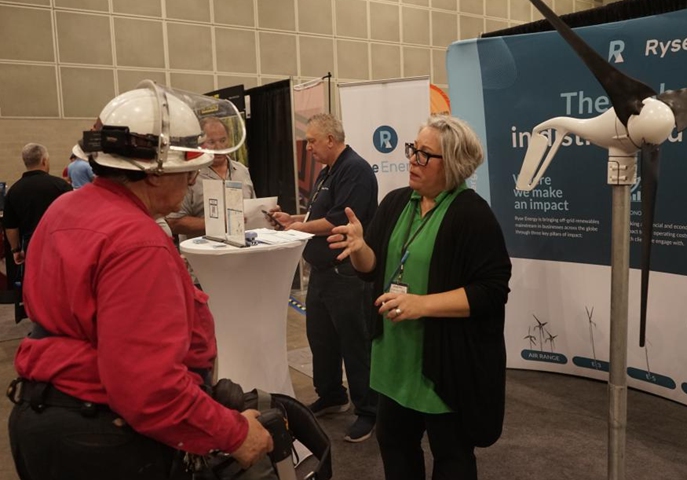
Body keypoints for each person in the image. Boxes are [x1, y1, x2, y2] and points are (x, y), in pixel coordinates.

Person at [7, 82, 273, 480]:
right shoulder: (137, 242)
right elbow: (149, 389)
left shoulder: (66, 208)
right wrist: (235, 434)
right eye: (186, 166)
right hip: (103, 439)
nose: (192, 177)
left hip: (45, 421)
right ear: (152, 174)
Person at [328, 115, 512, 479]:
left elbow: (491, 291)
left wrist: (421, 305)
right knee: (395, 446)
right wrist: (360, 247)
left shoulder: (472, 215)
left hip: (443, 362)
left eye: (425, 154)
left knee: (452, 454)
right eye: (414, 149)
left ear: (454, 165)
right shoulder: (398, 202)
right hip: (395, 357)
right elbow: (372, 268)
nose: (413, 159)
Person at [270, 113, 379, 443]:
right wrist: (295, 218)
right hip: (322, 273)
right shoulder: (329, 172)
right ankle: (332, 394)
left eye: (313, 141)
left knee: (354, 344)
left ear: (331, 139)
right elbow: (319, 213)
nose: (310, 148)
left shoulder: (355, 170)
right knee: (322, 339)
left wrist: (299, 228)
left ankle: (369, 411)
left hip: (345, 274)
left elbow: (339, 220)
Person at [167, 116, 255, 239]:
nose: (219, 148)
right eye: (212, 142)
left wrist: (265, 212)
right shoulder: (189, 175)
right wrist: (218, 222)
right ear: (200, 144)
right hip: (204, 254)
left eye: (223, 140)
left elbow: (251, 211)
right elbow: (173, 222)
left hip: (242, 251)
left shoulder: (242, 171)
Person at [3, 143, 71, 265]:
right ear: (44, 161)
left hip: (31, 245)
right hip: (60, 243)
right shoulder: (61, 186)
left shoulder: (14, 190)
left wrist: (16, 249)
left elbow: (11, 227)